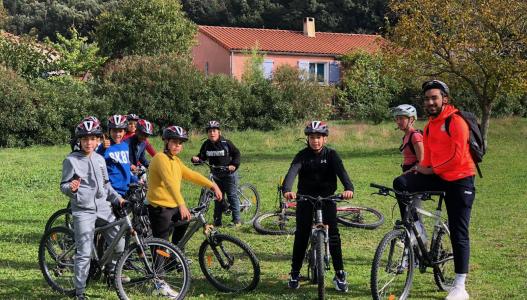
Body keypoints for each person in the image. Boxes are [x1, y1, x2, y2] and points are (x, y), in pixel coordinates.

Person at [393, 80, 476, 300]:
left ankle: (459, 286)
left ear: (444, 99)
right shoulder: (429, 126)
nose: (430, 102)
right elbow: (428, 156)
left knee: (459, 231)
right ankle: (414, 228)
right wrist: (416, 171)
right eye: (427, 99)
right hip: (438, 176)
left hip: (460, 179)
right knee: (400, 183)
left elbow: (457, 157)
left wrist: (431, 170)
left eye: (434, 98)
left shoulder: (455, 121)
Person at [282, 121, 354, 292]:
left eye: (319, 137)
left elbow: (342, 172)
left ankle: (340, 274)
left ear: (325, 139)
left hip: (328, 198)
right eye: (312, 137)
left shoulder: (332, 155)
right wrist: (287, 189)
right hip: (305, 198)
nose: (315, 141)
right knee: (301, 235)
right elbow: (292, 172)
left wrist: (348, 188)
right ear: (308, 139)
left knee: (334, 236)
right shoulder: (302, 155)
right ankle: (294, 273)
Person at [60, 116, 125, 300]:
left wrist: (119, 199)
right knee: (84, 253)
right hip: (83, 210)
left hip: (103, 208)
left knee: (119, 243)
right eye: (85, 139)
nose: (89, 142)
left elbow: (106, 185)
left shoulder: (100, 159)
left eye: (92, 139)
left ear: (98, 140)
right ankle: (79, 292)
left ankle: (112, 274)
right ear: (79, 141)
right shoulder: (71, 160)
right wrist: (72, 189)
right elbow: (63, 185)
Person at [147, 125, 222, 248]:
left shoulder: (175, 160)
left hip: (172, 204)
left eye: (180, 143)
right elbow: (169, 183)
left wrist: (212, 185)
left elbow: (191, 174)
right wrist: (182, 205)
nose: (177, 145)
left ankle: (175, 254)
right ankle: (160, 265)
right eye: (174, 142)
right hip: (159, 207)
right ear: (166, 142)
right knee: (160, 246)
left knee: (185, 220)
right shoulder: (160, 158)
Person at [191, 121, 242, 227]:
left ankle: (237, 220)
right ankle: (217, 221)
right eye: (209, 131)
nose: (212, 133)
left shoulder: (226, 143)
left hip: (229, 174)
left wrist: (234, 165)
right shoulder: (206, 145)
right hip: (216, 175)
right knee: (218, 198)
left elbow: (237, 153)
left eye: (214, 131)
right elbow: (202, 156)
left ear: (219, 132)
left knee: (232, 196)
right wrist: (196, 159)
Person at [97, 115, 133, 196]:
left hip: (126, 188)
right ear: (109, 131)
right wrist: (102, 148)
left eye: (120, 131)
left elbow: (125, 166)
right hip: (113, 189)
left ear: (125, 132)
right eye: (114, 131)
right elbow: (96, 159)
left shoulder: (125, 146)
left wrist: (134, 179)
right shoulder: (106, 145)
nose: (117, 134)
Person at [391, 104, 424, 172]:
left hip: (415, 174)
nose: (398, 122)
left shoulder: (415, 136)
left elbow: (422, 161)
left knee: (398, 181)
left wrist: (407, 173)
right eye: (397, 119)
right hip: (409, 172)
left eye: (401, 118)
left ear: (411, 119)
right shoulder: (406, 136)